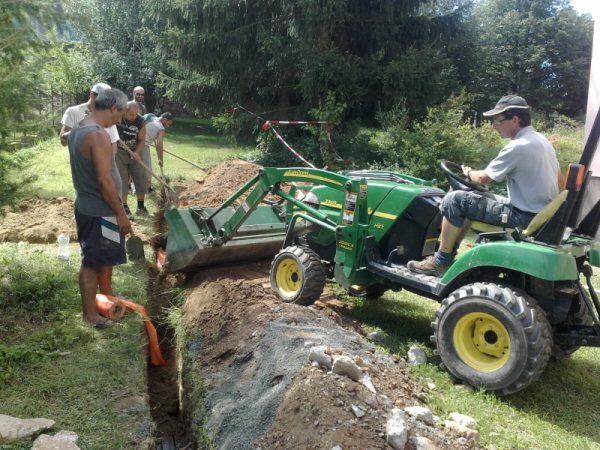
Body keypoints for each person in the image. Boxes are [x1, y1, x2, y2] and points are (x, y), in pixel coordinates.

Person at [408, 95, 564, 277]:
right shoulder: (542, 141)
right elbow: (560, 181)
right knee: (466, 200)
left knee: (453, 199)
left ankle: (440, 261)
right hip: (539, 215)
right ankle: (448, 255)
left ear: (515, 119)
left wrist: (468, 172)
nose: (494, 126)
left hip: (522, 217)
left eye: (498, 121)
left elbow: (483, 178)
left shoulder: (519, 146)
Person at [67, 88, 131, 328]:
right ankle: (90, 318)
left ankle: (105, 298)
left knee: (101, 258)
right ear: (114, 107)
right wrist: (120, 212)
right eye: (121, 112)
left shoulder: (79, 128)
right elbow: (104, 180)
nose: (121, 118)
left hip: (88, 205)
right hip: (99, 210)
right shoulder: (97, 135)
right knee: (92, 262)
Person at [116, 101, 152, 219]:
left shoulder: (141, 121)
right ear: (124, 112)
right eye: (131, 114)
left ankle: (141, 207)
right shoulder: (117, 118)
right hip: (119, 150)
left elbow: (141, 139)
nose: (134, 117)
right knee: (123, 178)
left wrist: (137, 152)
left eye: (136, 114)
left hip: (135, 150)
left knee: (140, 176)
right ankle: (125, 207)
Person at [60, 83, 119, 153]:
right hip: (80, 161)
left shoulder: (109, 115)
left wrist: (110, 161)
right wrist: (81, 127)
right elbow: (63, 142)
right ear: (92, 95)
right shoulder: (73, 111)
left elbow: (113, 142)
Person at [143, 112, 174, 191]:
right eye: (168, 123)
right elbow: (159, 146)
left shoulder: (151, 116)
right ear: (164, 119)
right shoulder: (161, 129)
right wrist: (160, 159)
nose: (168, 126)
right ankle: (148, 188)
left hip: (132, 141)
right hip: (143, 145)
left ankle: (129, 185)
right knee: (148, 168)